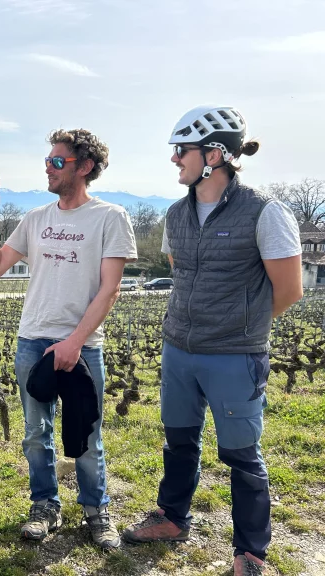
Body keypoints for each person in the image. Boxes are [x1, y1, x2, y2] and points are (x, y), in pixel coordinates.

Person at [122, 106, 303, 575]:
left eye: (181, 150)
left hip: (234, 356)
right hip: (179, 349)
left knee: (241, 455)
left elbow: (288, 290)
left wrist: (239, 328)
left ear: (216, 154)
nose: (174, 159)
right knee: (178, 440)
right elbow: (182, 274)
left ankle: (250, 552)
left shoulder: (266, 212)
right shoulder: (175, 214)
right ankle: (172, 518)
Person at [0, 129, 137, 549]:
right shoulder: (35, 218)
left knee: (87, 432)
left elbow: (110, 289)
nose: (48, 167)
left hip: (83, 345)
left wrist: (73, 342)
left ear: (84, 167)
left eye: (57, 161)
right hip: (32, 340)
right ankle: (44, 505)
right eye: (47, 160)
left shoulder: (110, 217)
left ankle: (95, 510)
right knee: (35, 432)